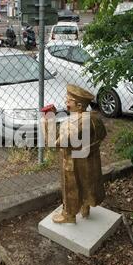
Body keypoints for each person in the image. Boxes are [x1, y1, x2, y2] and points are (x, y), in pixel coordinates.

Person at [42, 84, 107, 224]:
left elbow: (54, 143)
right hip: (90, 160)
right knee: (88, 183)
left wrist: (48, 121)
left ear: (78, 105)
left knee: (71, 186)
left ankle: (69, 214)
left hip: (72, 162)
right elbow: (103, 135)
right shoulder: (95, 118)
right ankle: (85, 207)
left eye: (68, 101)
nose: (66, 103)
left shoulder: (71, 124)